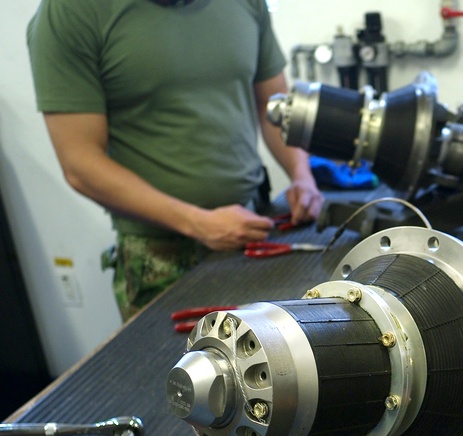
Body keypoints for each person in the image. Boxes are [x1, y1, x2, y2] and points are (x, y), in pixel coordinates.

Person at [26, 0, 323, 320]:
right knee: (174, 368)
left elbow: (275, 107)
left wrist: (301, 175)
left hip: (254, 227)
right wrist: (198, 222)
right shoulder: (71, 12)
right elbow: (80, 164)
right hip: (160, 255)